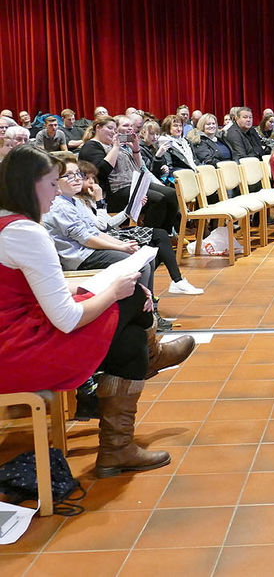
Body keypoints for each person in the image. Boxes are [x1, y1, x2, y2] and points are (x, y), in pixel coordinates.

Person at [0, 146, 194, 477]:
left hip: (16, 333)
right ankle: (150, 361)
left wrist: (89, 289)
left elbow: (27, 287)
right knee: (129, 295)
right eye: (51, 183)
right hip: (20, 351)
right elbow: (67, 319)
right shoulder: (26, 232)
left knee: (128, 328)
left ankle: (118, 447)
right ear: (29, 185)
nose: (56, 192)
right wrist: (114, 292)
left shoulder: (8, 224)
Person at [74, 156, 204, 295]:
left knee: (159, 236)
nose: (92, 183)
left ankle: (173, 282)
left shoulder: (88, 199)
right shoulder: (79, 202)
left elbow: (108, 222)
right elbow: (101, 226)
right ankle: (165, 286)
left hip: (110, 233)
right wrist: (100, 202)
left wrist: (130, 208)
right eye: (87, 179)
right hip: (104, 238)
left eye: (93, 179)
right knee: (154, 244)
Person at [79, 115, 180, 234]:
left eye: (114, 129)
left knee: (172, 194)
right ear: (98, 128)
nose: (113, 132)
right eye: (110, 128)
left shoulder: (115, 145)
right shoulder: (92, 146)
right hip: (116, 191)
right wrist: (116, 147)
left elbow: (138, 167)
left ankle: (165, 233)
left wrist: (136, 150)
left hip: (133, 184)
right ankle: (149, 236)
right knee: (158, 199)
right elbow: (102, 171)